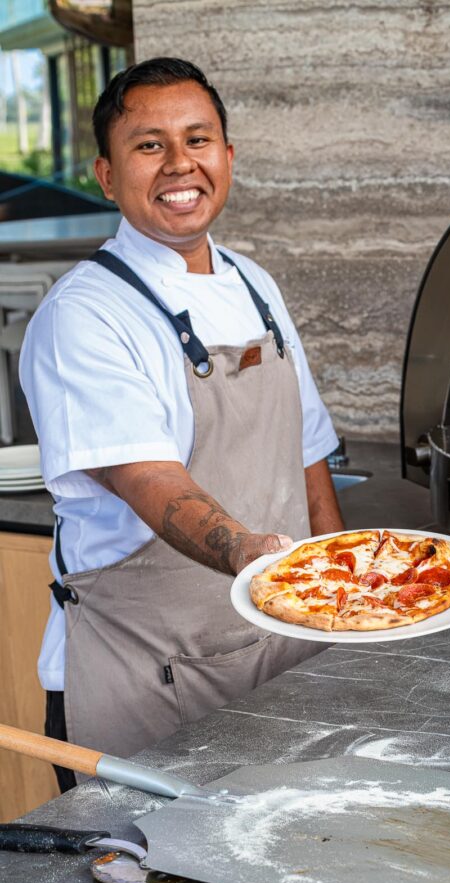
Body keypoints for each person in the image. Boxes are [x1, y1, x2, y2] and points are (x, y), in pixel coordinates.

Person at [20, 57, 344, 788]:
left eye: (198, 140)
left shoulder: (255, 284)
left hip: (279, 656)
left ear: (227, 157)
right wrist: (246, 551)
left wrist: (342, 598)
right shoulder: (85, 315)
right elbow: (145, 477)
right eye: (148, 145)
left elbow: (308, 453)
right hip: (147, 680)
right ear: (106, 175)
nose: (179, 165)